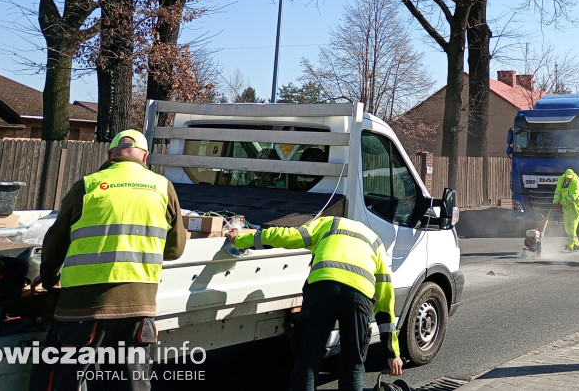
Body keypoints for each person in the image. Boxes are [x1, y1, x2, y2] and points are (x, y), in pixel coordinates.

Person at [30, 129, 187, 391]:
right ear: (145, 157)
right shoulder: (163, 187)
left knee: (65, 381)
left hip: (83, 309)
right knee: (131, 384)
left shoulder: (88, 185)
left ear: (109, 154)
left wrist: (47, 278)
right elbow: (175, 249)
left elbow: (56, 240)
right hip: (138, 309)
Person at [226, 215, 402, 391]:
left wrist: (241, 240)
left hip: (322, 289)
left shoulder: (330, 223)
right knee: (353, 363)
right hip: (359, 296)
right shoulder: (375, 241)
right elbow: (385, 302)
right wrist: (392, 353)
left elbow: (286, 236)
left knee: (308, 359)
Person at [553, 168, 579, 251]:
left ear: (573, 176)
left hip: (575, 207)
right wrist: (556, 201)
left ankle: (569, 246)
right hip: (567, 206)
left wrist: (562, 202)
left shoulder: (577, 184)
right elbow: (558, 192)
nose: (568, 179)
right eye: (567, 177)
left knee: (572, 226)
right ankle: (576, 244)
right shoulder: (561, 180)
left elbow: (573, 196)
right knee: (567, 226)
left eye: (569, 178)